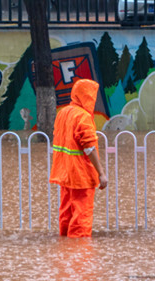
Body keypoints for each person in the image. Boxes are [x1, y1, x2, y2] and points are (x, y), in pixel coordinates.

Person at [50, 79, 108, 238]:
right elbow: (89, 147)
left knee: (66, 212)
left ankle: (65, 248)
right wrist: (101, 173)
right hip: (81, 175)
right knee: (81, 216)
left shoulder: (63, 113)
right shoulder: (83, 117)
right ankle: (79, 253)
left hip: (64, 173)